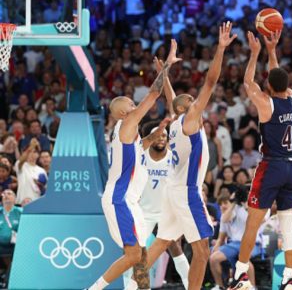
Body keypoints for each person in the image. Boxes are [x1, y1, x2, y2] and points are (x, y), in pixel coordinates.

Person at [135, 24, 236, 290]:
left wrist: (164, 72)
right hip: (186, 191)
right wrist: (221, 49)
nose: (196, 101)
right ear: (186, 108)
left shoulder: (178, 121)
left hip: (172, 190)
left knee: (161, 242)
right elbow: (211, 82)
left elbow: (171, 97)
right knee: (202, 250)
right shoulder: (190, 120)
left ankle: (130, 285)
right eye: (192, 100)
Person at [86, 41, 179, 290]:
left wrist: (157, 132)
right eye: (129, 103)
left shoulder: (130, 134)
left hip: (129, 200)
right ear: (122, 114)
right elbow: (154, 94)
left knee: (142, 254)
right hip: (120, 198)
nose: (134, 104)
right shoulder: (127, 124)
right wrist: (168, 64)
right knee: (133, 255)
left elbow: (142, 146)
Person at [228, 31, 292, 290]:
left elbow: (248, 82)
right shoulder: (291, 99)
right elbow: (277, 76)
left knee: (253, 222)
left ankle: (239, 274)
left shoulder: (265, 103)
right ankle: (290, 279)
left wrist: (256, 52)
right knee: (287, 226)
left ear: (268, 85)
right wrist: (272, 51)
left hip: (273, 165)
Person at [125, 125, 189, 290]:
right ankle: (129, 287)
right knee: (133, 254)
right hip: (144, 212)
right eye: (157, 136)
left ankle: (192, 286)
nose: (161, 139)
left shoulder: (173, 159)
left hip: (167, 213)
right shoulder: (141, 156)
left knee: (176, 249)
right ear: (150, 137)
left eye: (164, 136)